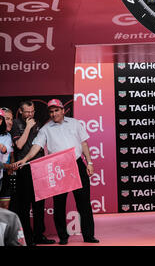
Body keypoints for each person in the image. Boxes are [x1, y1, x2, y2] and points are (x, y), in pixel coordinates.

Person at [13, 99, 99, 245]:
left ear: (63, 110)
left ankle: (89, 235)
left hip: (77, 164)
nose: (54, 114)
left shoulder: (75, 123)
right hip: (58, 167)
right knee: (59, 204)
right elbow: (36, 146)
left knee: (83, 202)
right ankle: (63, 237)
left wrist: (89, 162)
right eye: (51, 112)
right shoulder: (45, 129)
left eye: (56, 110)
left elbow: (84, 143)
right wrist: (25, 159)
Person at [10, 101, 55, 245]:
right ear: (21, 112)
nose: (30, 114)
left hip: (39, 167)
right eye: (27, 112)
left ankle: (39, 235)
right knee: (24, 206)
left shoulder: (38, 123)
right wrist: (28, 127)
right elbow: (19, 145)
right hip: (24, 168)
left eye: (32, 111)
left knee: (39, 204)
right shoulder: (16, 124)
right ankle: (28, 238)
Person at [0, 108, 14, 210]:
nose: (10, 122)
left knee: (5, 208)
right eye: (7, 119)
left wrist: (11, 165)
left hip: (4, 175)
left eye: (11, 119)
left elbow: (9, 153)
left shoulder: (8, 136)